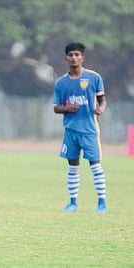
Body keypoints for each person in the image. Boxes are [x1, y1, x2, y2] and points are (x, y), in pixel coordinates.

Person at [53, 42, 108, 214]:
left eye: (77, 54)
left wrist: (101, 109)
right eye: (70, 55)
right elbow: (56, 107)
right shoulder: (61, 83)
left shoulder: (94, 78)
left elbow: (102, 100)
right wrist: (68, 109)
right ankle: (73, 203)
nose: (74, 57)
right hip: (70, 130)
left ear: (82, 58)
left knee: (95, 166)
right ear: (66, 58)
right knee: (73, 167)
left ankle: (101, 203)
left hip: (89, 130)